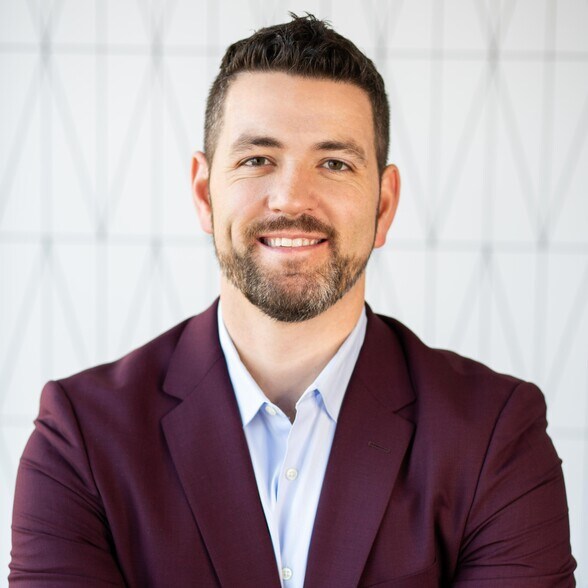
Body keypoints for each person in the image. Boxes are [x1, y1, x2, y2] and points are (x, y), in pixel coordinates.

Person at [10, 14, 575, 588]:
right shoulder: (80, 439)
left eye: (334, 163)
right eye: (257, 159)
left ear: (383, 206)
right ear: (204, 193)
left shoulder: (494, 437)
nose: (290, 198)